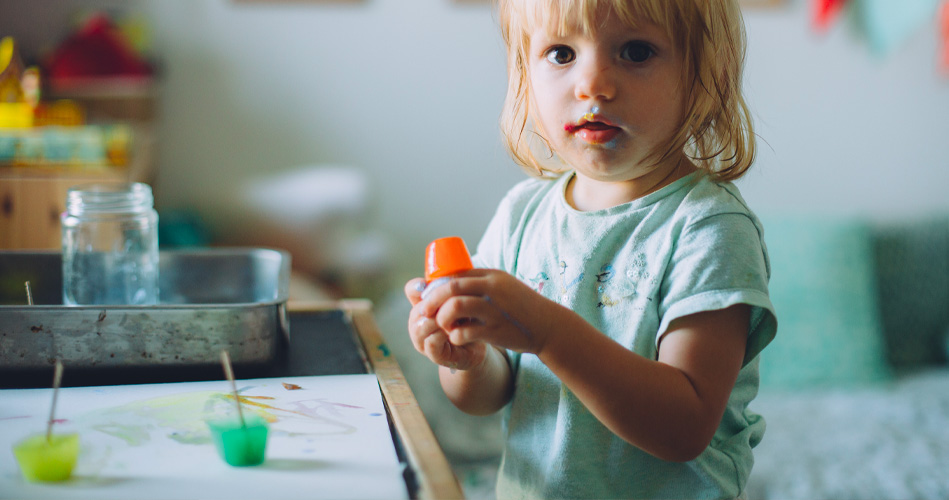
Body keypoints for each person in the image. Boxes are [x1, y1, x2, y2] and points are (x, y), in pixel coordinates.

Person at [405, 0, 777, 498]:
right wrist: (465, 358)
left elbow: (683, 428)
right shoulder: (521, 214)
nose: (592, 85)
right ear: (525, 76)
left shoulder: (708, 227)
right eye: (561, 53)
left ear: (702, 73)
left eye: (636, 51)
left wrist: (546, 331)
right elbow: (490, 394)